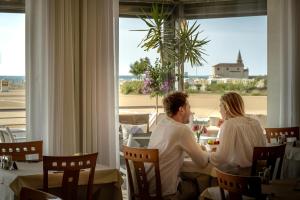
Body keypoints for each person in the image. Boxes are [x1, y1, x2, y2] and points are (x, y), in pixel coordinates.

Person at [147, 92, 209, 200]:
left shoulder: (161, 124)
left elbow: (170, 149)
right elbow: (202, 162)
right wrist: (208, 152)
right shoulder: (182, 130)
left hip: (147, 190)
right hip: (166, 194)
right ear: (181, 109)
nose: (191, 112)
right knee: (201, 185)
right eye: (189, 107)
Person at [209, 92, 266, 168]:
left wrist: (207, 155)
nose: (219, 110)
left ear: (226, 108)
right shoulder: (255, 123)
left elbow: (221, 158)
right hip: (257, 174)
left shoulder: (229, 124)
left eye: (220, 106)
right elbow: (262, 147)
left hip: (237, 176)